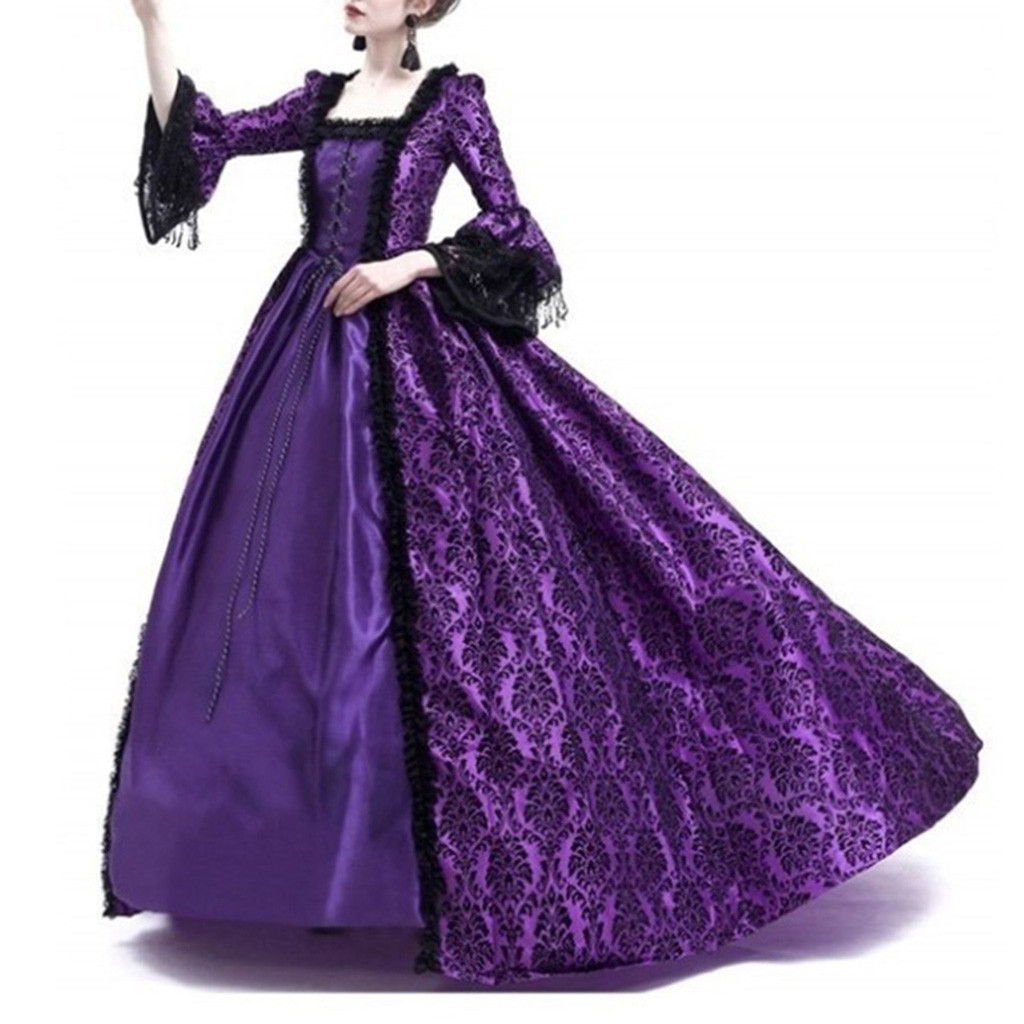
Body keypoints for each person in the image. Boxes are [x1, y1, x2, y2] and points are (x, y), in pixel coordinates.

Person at [102, 0, 983, 987]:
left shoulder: (450, 104)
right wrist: (152, 24)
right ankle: (311, 856)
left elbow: (512, 228)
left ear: (421, 2)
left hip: (414, 357)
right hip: (306, 358)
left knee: (467, 600)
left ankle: (427, 867)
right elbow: (205, 143)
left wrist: (410, 264)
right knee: (289, 598)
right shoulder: (320, 102)